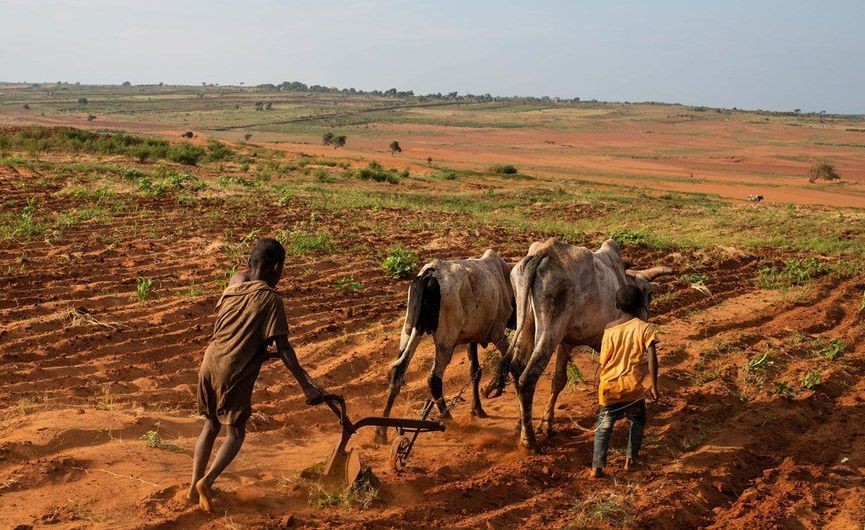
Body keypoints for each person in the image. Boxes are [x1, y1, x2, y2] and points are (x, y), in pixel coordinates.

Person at [188, 237, 326, 511]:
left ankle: (192, 488)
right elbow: (284, 348)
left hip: (210, 361)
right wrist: (307, 387)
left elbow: (236, 325)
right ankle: (208, 481)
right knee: (235, 434)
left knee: (210, 426)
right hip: (234, 370)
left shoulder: (235, 280)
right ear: (277, 267)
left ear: (250, 263)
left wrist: (260, 351)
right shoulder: (271, 298)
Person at [590, 284, 659, 479]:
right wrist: (653, 386)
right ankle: (631, 461)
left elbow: (603, 359)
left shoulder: (609, 329)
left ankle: (597, 467)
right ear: (641, 306)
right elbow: (653, 356)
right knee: (637, 421)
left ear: (617, 305)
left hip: (608, 387)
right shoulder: (645, 328)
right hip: (633, 389)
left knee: (604, 426)